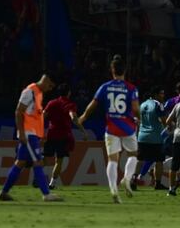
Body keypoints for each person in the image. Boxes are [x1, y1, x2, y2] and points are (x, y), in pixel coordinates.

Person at [78, 55, 140, 203]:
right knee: (133, 154)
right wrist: (140, 119)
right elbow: (136, 109)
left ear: (112, 70)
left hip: (111, 128)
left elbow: (93, 105)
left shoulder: (104, 87)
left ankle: (113, 188)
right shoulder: (131, 88)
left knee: (113, 160)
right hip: (128, 128)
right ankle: (126, 178)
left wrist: (83, 117)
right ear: (124, 70)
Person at [0, 73, 62, 202]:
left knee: (20, 163)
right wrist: (21, 133)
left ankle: (4, 192)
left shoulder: (39, 94)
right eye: (50, 86)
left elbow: (36, 116)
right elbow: (18, 111)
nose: (50, 89)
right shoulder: (30, 92)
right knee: (37, 162)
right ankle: (46, 194)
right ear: (46, 80)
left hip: (32, 134)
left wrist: (41, 134)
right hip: (28, 134)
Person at [43, 83, 87, 190]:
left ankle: (38, 178)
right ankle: (52, 183)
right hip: (63, 136)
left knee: (45, 158)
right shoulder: (70, 104)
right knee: (59, 161)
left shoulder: (51, 103)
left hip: (51, 134)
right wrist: (83, 131)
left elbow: (43, 116)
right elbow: (73, 117)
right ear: (69, 93)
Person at [134, 87, 167, 190]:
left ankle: (133, 181)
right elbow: (164, 121)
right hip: (156, 137)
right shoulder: (158, 105)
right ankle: (157, 183)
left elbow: (139, 120)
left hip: (142, 136)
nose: (163, 96)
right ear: (156, 95)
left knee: (140, 159)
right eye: (161, 94)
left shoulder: (142, 105)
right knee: (159, 161)